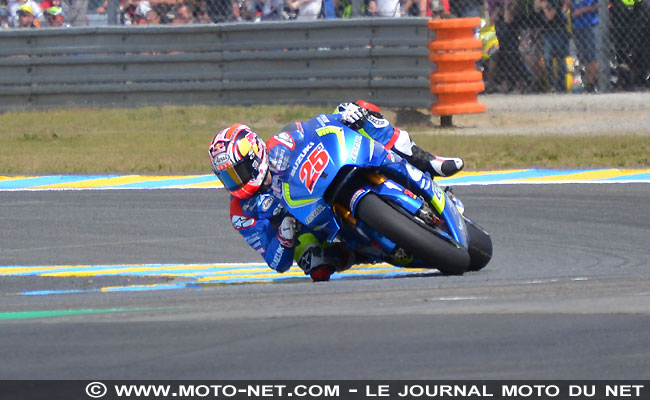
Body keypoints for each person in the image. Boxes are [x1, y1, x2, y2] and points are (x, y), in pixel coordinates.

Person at [208, 101, 465, 282]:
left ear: (254, 155)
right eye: (227, 177)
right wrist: (284, 239)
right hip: (314, 227)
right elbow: (276, 261)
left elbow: (316, 126)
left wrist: (344, 115)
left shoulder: (281, 142)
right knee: (314, 263)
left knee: (359, 109)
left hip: (331, 177)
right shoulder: (241, 211)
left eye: (237, 172)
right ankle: (357, 251)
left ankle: (425, 162)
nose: (234, 182)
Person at [535, 0, 569, 92]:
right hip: (547, 32)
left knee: (560, 60)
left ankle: (561, 87)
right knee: (547, 59)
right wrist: (542, 5)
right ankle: (552, 85)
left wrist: (544, 6)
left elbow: (550, 16)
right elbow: (536, 8)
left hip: (559, 32)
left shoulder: (555, 2)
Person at [566, 0, 599, 91]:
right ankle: (590, 82)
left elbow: (599, 6)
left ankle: (594, 82)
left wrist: (582, 10)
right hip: (578, 26)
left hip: (592, 25)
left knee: (594, 56)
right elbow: (569, 4)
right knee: (585, 58)